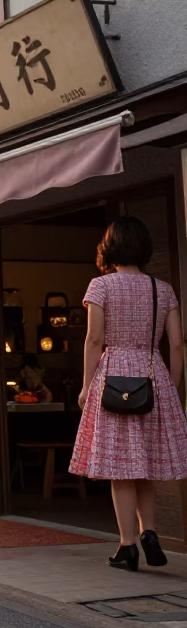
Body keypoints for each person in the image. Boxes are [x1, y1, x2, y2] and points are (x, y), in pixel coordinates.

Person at [73, 216, 187, 571]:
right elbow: (178, 345)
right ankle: (150, 532)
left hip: (113, 379)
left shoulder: (101, 286)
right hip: (153, 377)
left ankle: (128, 545)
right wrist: (173, 389)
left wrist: (86, 385)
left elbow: (94, 340)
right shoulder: (162, 289)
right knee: (146, 466)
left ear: (111, 248)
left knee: (120, 468)